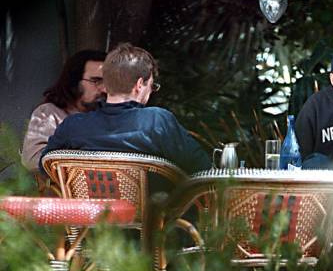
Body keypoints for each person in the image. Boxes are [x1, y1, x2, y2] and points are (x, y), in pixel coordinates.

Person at [40, 43, 210, 174]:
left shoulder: (73, 125)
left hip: (91, 218)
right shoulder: (157, 121)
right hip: (152, 218)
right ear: (139, 85)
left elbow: (45, 167)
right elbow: (202, 168)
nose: (151, 92)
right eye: (152, 86)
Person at [21, 50, 107, 172]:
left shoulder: (108, 113)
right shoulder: (49, 113)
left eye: (107, 82)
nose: (104, 88)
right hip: (63, 187)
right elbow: (31, 158)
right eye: (96, 81)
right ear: (74, 81)